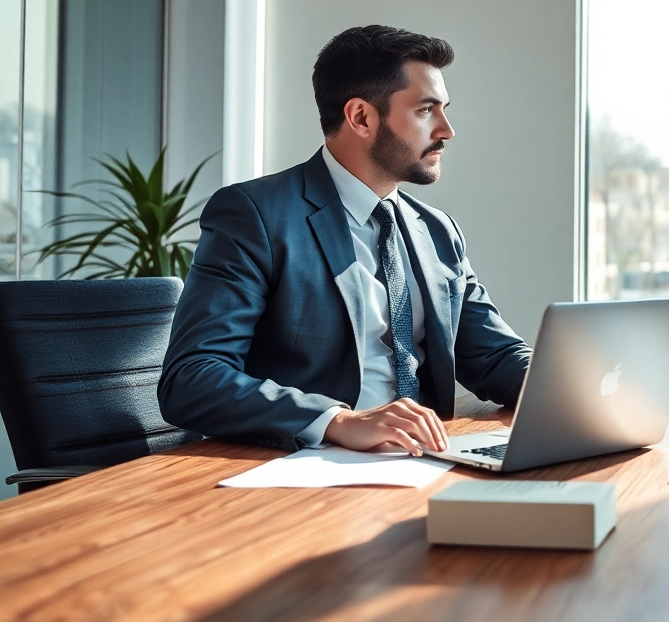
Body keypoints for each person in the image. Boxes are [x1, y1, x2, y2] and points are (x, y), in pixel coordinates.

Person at [159, 25, 530, 456]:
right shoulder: (254, 215)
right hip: (311, 469)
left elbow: (495, 356)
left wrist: (580, 383)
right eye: (427, 110)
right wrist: (338, 420)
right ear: (361, 118)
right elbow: (192, 377)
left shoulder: (436, 230)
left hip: (430, 460)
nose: (447, 130)